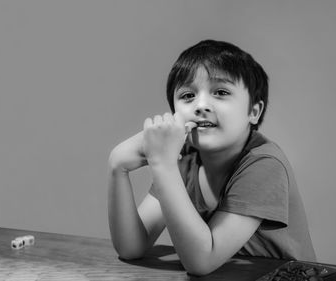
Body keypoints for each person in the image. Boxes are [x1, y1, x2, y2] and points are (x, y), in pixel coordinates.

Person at [107, 39, 316, 276]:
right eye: (187, 95)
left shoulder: (264, 164)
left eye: (221, 92)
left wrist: (162, 164)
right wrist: (117, 167)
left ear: (254, 112)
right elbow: (131, 247)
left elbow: (201, 262)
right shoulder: (184, 159)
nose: (201, 105)